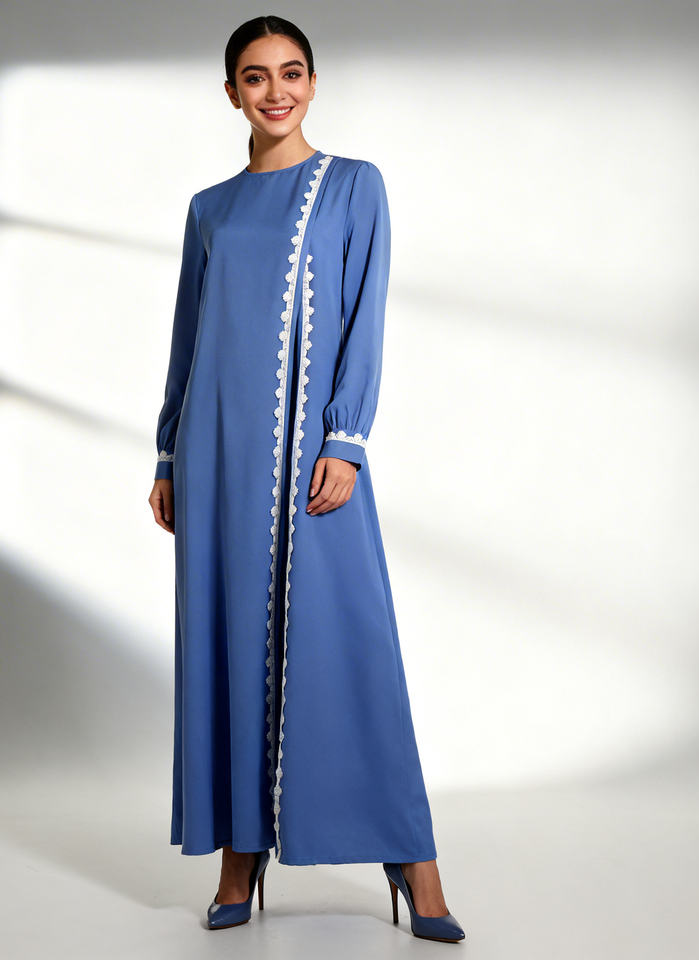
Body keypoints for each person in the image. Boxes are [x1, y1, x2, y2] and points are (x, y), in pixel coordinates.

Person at [146, 15, 464, 942]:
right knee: (230, 644)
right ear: (232, 92)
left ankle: (412, 858)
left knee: (352, 645)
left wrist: (346, 438)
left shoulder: (353, 186)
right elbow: (188, 338)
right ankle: (239, 854)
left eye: (291, 73)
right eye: (255, 76)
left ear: (314, 83)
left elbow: (364, 315)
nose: (275, 91)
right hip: (216, 454)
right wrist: (167, 453)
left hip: (310, 456)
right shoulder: (210, 208)